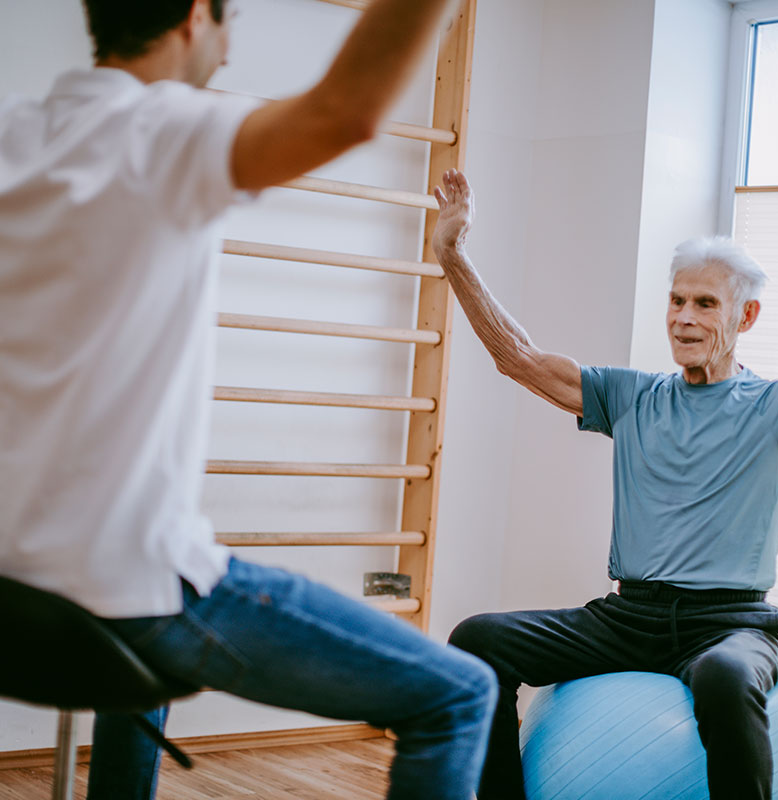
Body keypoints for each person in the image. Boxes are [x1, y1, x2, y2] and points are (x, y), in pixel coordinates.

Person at [0, 3, 498, 799]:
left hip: (13, 588)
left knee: (140, 666)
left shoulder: (18, 133)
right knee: (459, 693)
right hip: (124, 593)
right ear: (198, 17)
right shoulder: (163, 130)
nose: (227, 59)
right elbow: (345, 110)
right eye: (229, 33)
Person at [430, 169, 778, 800]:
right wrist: (453, 256)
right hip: (629, 615)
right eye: (676, 300)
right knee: (477, 641)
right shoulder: (631, 396)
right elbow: (519, 357)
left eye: (705, 304)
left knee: (725, 677)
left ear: (746, 315)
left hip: (733, 623)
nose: (684, 319)